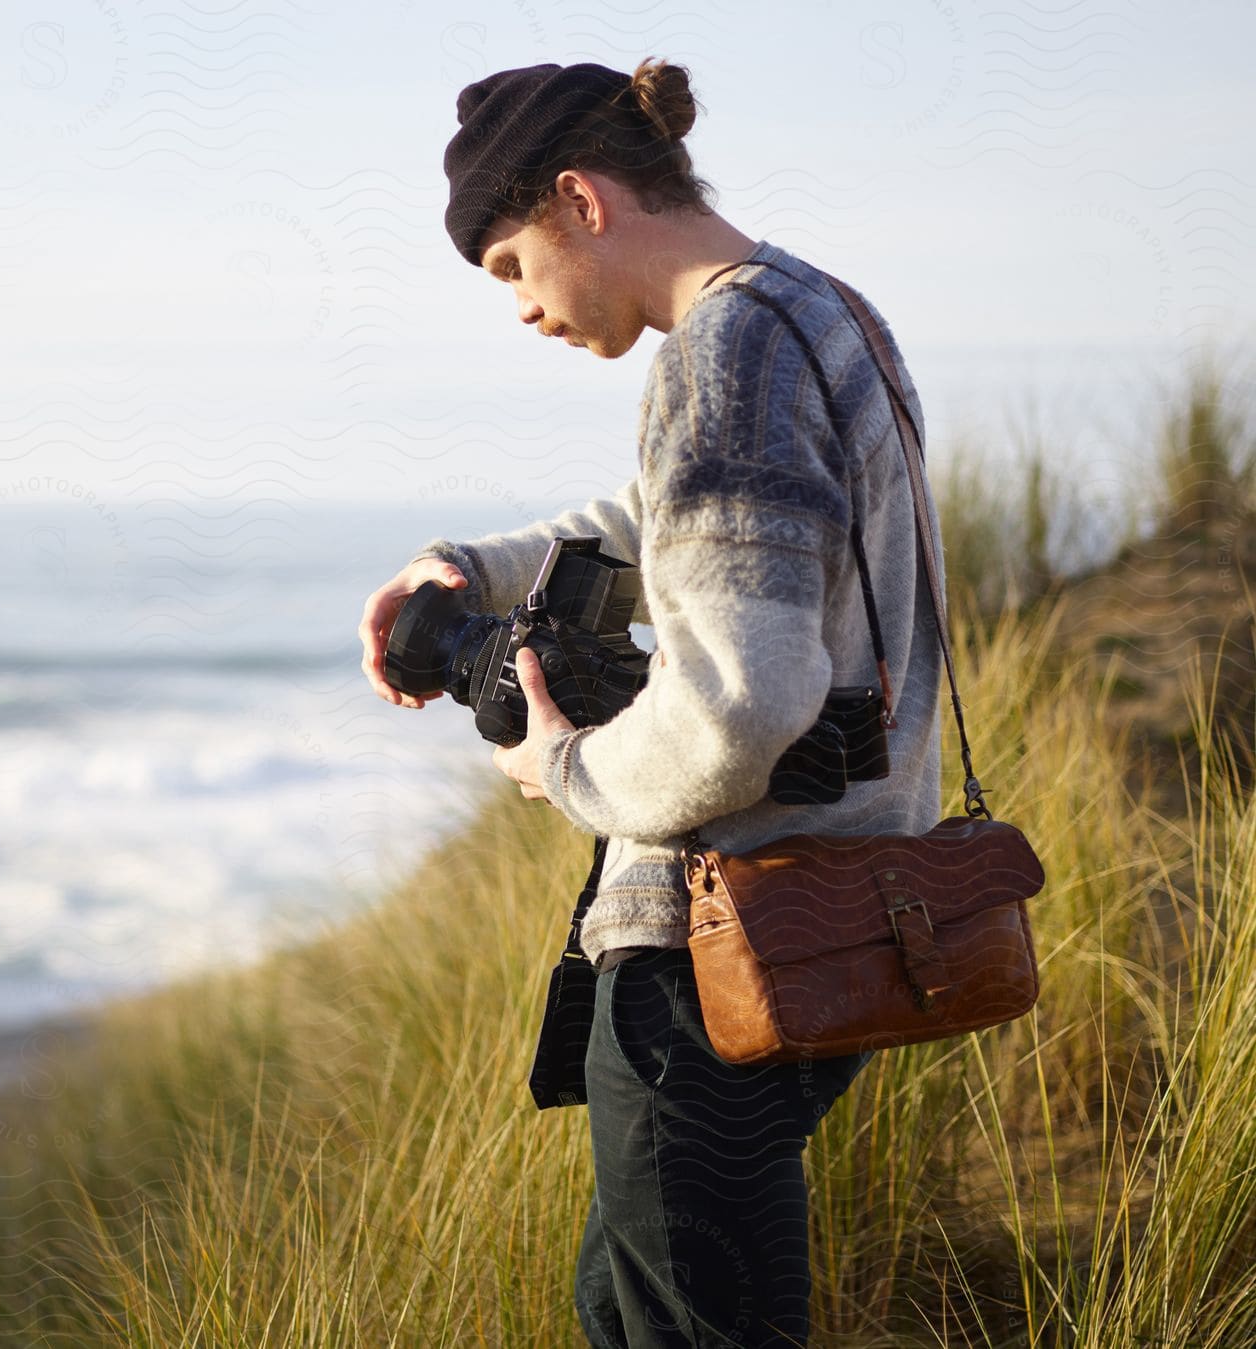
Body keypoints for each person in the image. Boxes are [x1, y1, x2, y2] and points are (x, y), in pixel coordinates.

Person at [356, 59, 949, 1347]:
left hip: (718, 942)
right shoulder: (818, 313)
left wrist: (565, 767)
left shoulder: (724, 355)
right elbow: (694, 526)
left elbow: (743, 704)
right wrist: (479, 565)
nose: (516, 308)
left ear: (580, 200)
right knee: (636, 1312)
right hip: (836, 910)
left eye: (510, 265)